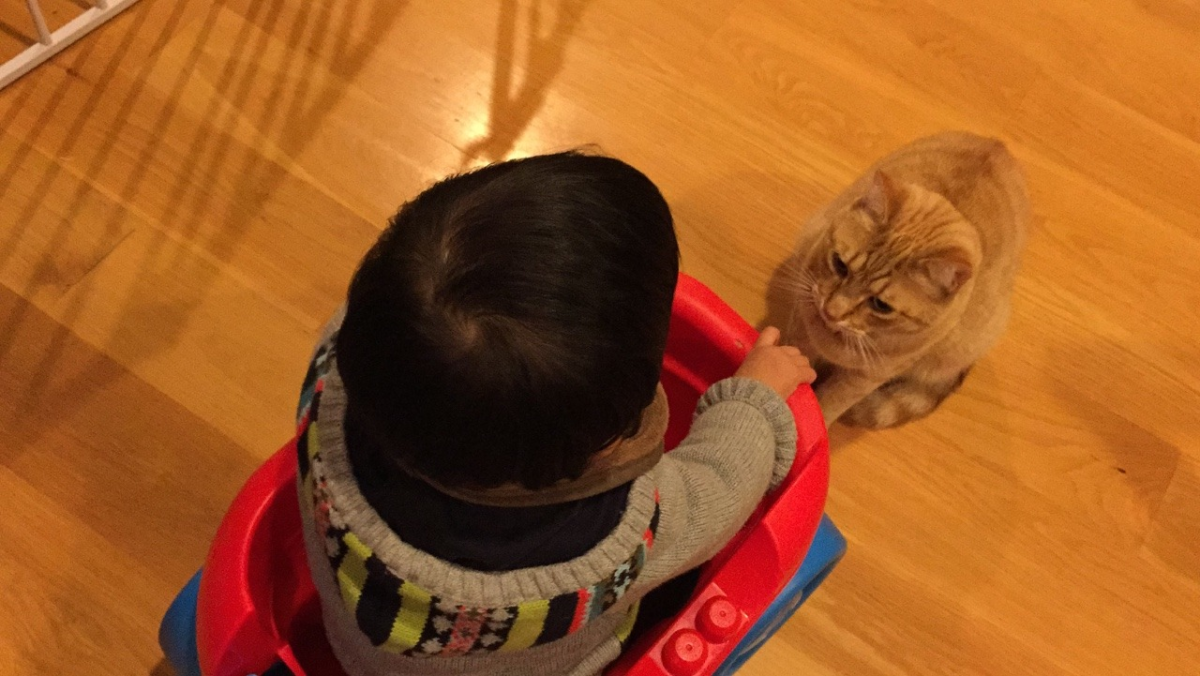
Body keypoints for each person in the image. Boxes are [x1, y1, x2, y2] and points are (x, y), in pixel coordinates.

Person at [293, 151, 815, 676]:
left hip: (353, 651)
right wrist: (755, 397)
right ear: (604, 444)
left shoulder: (337, 365)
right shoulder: (613, 546)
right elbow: (720, 489)